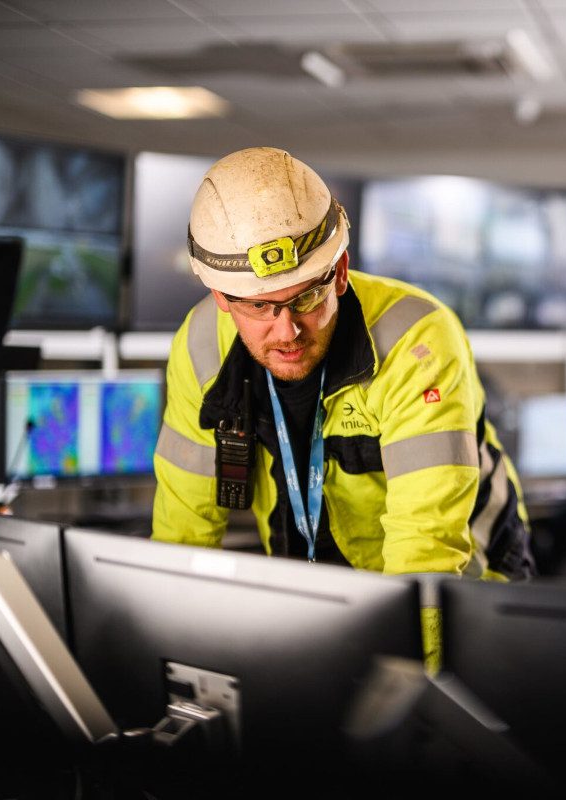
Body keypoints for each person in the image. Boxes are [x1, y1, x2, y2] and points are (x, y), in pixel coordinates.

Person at [152, 146, 536, 594]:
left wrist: (414, 660)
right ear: (221, 296)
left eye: (306, 297)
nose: (287, 330)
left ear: (339, 273)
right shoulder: (199, 346)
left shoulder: (417, 340)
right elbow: (183, 533)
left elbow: (427, 550)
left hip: (469, 585)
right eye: (259, 306)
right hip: (316, 592)